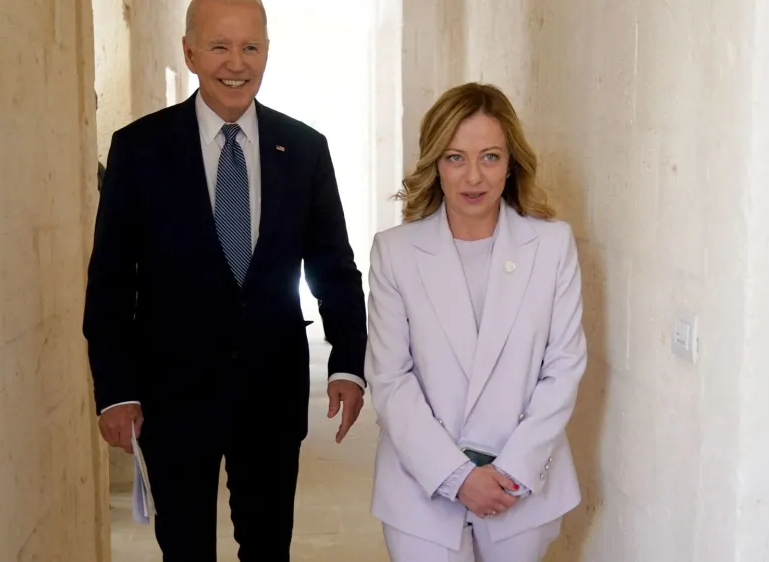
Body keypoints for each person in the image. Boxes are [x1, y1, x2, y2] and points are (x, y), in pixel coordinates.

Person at [81, 0, 368, 560]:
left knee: (267, 549)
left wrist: (348, 363)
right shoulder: (139, 150)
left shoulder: (305, 149)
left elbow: (333, 265)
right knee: (184, 549)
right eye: (219, 46)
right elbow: (112, 279)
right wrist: (115, 390)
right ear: (189, 52)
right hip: (172, 396)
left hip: (272, 394)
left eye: (250, 47)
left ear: (266, 53)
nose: (235, 63)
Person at [364, 82, 588, 562]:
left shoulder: (551, 247)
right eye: (454, 157)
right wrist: (457, 476)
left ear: (511, 163)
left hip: (522, 489)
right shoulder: (395, 252)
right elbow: (389, 379)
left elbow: (564, 366)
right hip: (419, 489)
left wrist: (512, 471)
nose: (473, 177)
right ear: (434, 164)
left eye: (489, 156)